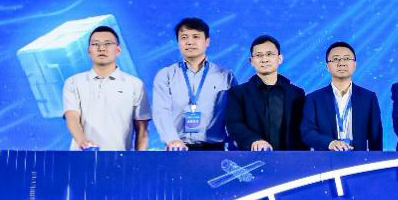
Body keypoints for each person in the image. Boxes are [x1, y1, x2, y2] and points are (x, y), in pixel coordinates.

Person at [62, 26, 150, 150]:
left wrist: (139, 160)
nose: (101, 48)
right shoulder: (73, 82)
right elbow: (72, 117)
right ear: (89, 51)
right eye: (95, 44)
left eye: (108, 43)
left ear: (118, 50)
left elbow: (142, 131)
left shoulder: (135, 84)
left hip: (120, 157)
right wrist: (83, 142)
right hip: (82, 156)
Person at [152, 17, 234, 150]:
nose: (190, 42)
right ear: (178, 43)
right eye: (184, 37)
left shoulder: (225, 76)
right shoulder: (166, 75)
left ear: (207, 42)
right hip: (177, 149)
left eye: (196, 37)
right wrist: (172, 140)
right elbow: (161, 111)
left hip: (214, 150)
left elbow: (234, 114)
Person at [225, 35, 306, 151]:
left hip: (289, 158)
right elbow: (234, 124)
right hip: (251, 157)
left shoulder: (296, 93)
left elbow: (303, 128)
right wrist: (253, 140)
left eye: (269, 54)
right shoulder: (238, 93)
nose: (264, 59)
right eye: (258, 55)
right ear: (251, 61)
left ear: (280, 59)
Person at [301, 41, 382, 151]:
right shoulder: (313, 99)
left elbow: (376, 136)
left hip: (359, 158)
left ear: (355, 64)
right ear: (327, 66)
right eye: (335, 59)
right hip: (325, 158)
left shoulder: (368, 98)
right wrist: (330, 143)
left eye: (347, 58)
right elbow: (307, 133)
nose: (341, 63)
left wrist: (377, 159)